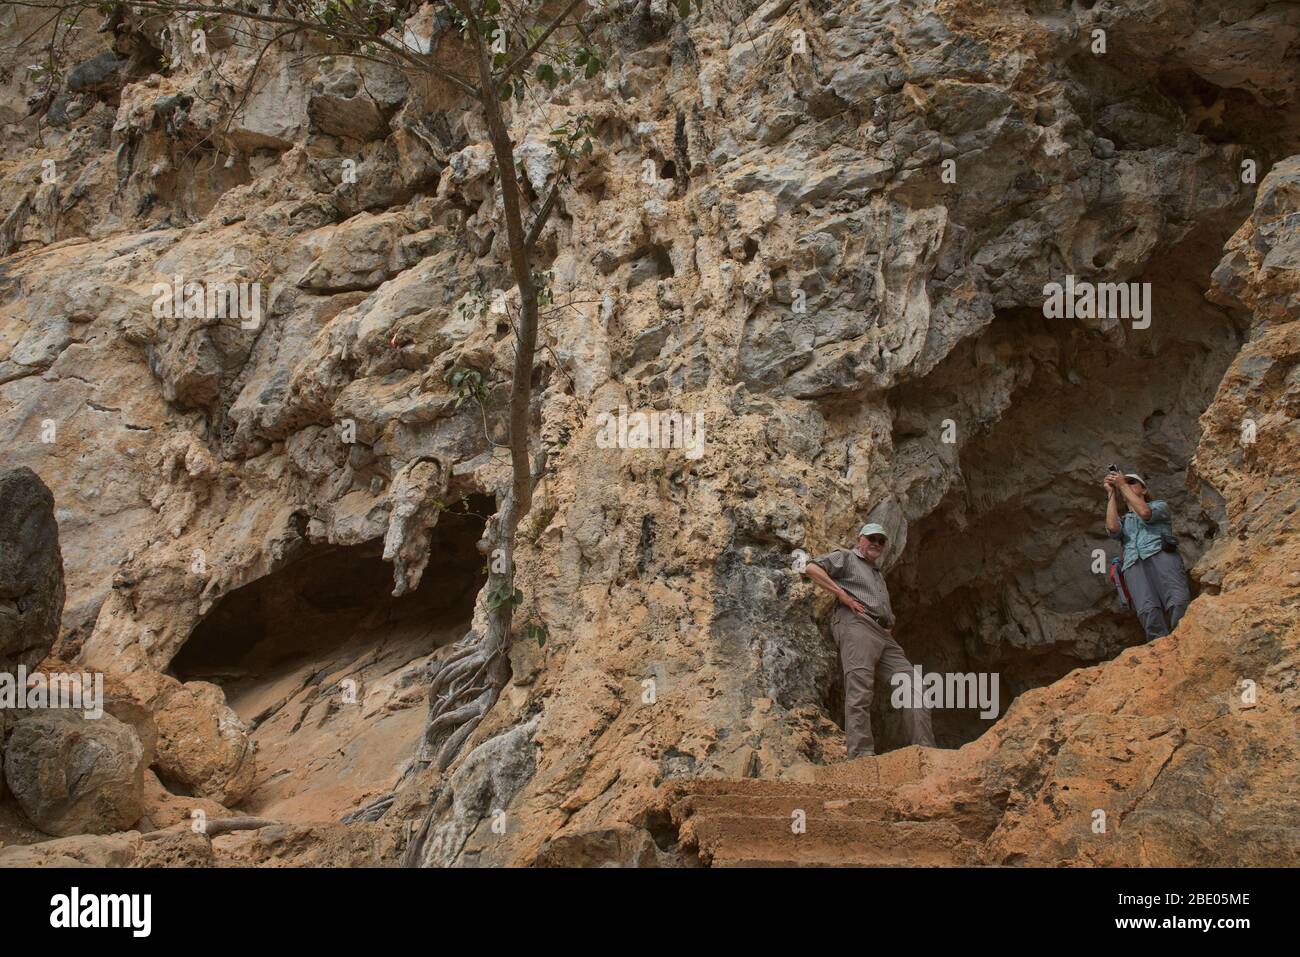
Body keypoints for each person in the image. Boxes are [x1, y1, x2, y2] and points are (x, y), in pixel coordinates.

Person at [803, 523, 936, 758]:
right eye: (871, 538)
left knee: (914, 685)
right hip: (856, 623)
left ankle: (925, 751)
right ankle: (861, 756)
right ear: (860, 539)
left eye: (881, 540)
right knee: (860, 689)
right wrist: (841, 594)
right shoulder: (846, 557)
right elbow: (811, 568)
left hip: (883, 633)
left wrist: (888, 623)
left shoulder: (877, 574)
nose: (876, 543)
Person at [1105, 470, 1191, 640]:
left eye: (1131, 482)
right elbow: (1113, 528)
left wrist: (1121, 484)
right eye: (1125, 482)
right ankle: (1160, 649)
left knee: (1178, 600)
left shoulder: (1159, 506)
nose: (1126, 484)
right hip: (1132, 563)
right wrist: (1111, 493)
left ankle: (1184, 639)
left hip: (1160, 553)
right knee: (1147, 610)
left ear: (1144, 489)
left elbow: (1145, 513)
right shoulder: (1124, 520)